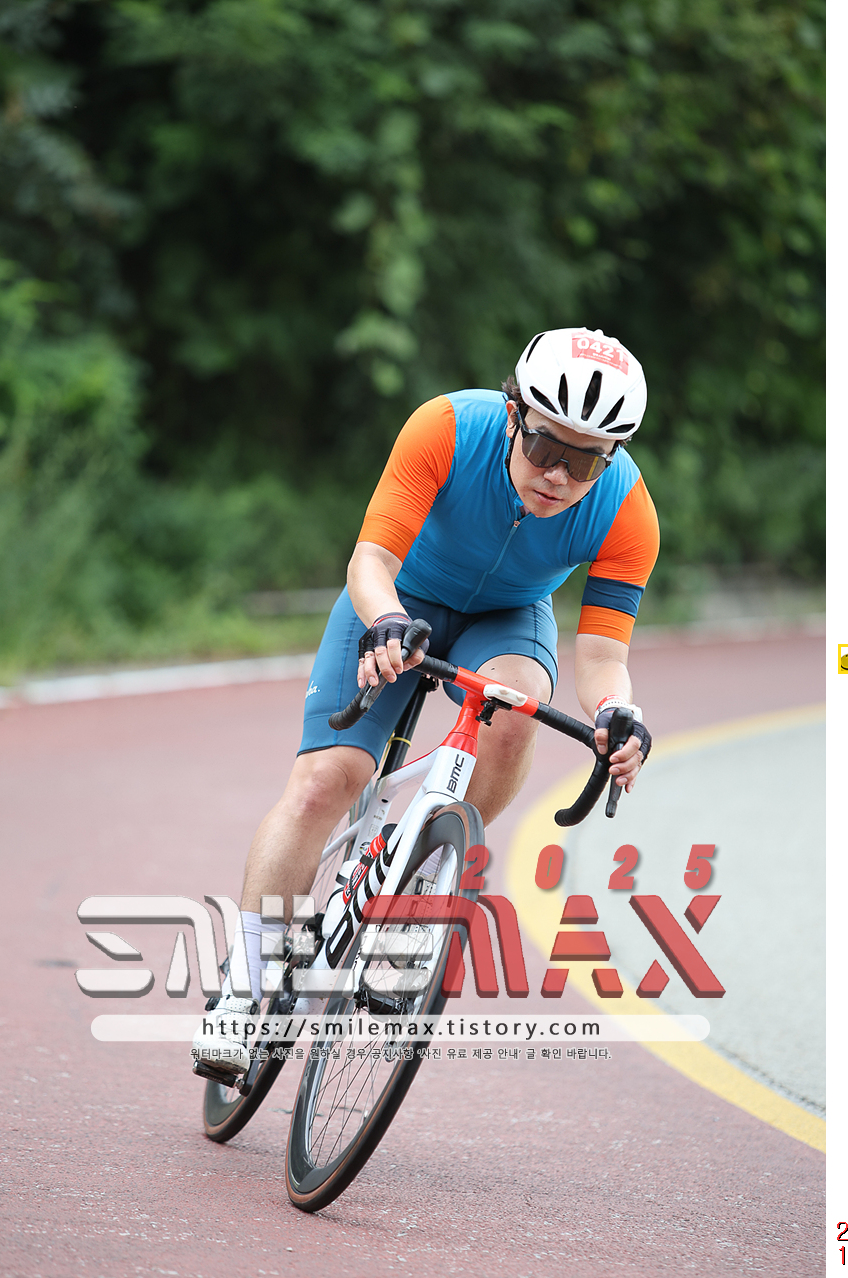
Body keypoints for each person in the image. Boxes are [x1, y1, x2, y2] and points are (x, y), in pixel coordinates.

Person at [193, 327, 659, 1075]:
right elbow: (370, 560)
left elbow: (604, 658)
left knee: (518, 705)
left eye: (584, 461)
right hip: (396, 595)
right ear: (513, 413)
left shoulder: (628, 511)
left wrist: (615, 712)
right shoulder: (445, 427)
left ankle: (422, 876)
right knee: (324, 782)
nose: (558, 476)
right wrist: (384, 620)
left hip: (508, 619)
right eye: (546, 447)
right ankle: (243, 990)